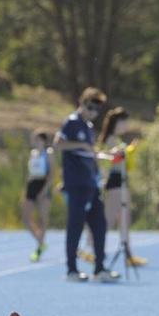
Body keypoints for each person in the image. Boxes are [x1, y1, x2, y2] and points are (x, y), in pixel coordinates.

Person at [54, 87, 120, 283]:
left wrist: (108, 156)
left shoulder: (88, 126)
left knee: (99, 225)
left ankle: (99, 269)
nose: (93, 112)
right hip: (77, 184)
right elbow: (58, 144)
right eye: (90, 107)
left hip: (91, 184)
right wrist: (80, 145)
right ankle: (71, 270)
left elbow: (91, 153)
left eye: (97, 109)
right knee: (75, 226)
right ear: (82, 103)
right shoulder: (72, 122)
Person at [97, 107, 146, 267]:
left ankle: (128, 254)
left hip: (122, 180)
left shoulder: (116, 139)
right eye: (124, 122)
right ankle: (95, 250)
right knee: (109, 219)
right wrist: (120, 153)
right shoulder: (110, 139)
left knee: (124, 219)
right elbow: (105, 159)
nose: (127, 125)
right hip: (114, 181)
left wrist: (129, 151)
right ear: (117, 122)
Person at [24, 129, 54, 262]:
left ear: (42, 140)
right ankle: (41, 243)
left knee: (42, 218)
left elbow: (51, 174)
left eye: (36, 139)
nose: (34, 141)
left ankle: (39, 249)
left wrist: (44, 189)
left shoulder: (48, 153)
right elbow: (30, 172)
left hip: (43, 184)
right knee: (26, 217)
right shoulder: (32, 153)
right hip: (32, 184)